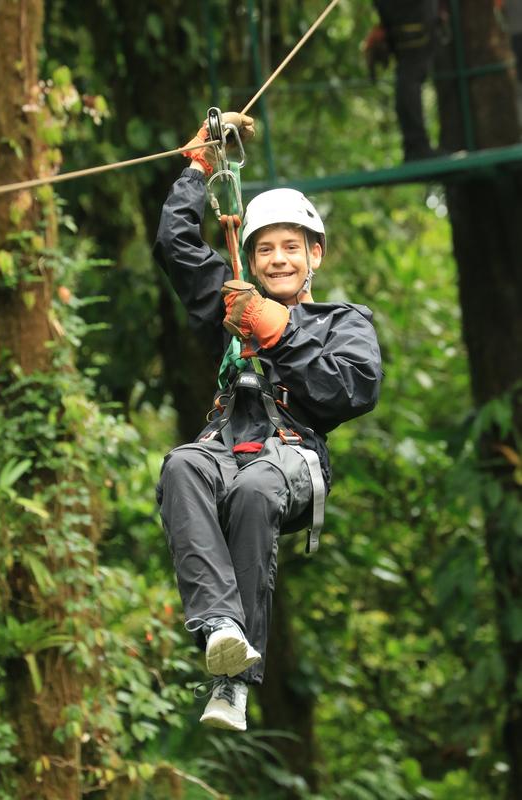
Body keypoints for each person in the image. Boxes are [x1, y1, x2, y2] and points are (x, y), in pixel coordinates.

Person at [153, 112, 383, 732]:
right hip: (223, 446)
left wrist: (280, 332)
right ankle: (221, 627)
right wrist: (199, 168)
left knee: (255, 491)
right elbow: (175, 246)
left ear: (314, 255)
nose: (277, 259)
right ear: (250, 257)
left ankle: (232, 687)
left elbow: (353, 390)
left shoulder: (342, 322)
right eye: (264, 249)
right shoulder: (231, 301)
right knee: (180, 465)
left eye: (290, 247)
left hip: (290, 459)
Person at [364, 1, 441, 161]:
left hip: (411, 16)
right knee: (411, 73)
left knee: (411, 72)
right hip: (408, 16)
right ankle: (416, 146)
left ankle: (416, 145)